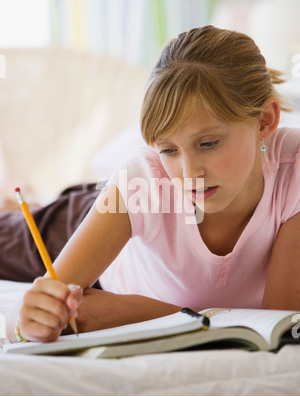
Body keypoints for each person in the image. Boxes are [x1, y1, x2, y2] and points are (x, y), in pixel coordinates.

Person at [5, 25, 300, 343]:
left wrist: (135, 312)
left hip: (139, 212)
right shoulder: (140, 181)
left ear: (265, 122)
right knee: (14, 235)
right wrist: (30, 317)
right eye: (168, 150)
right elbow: (22, 323)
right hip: (101, 212)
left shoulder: (293, 171)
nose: (188, 172)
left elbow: (278, 327)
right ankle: (25, 202)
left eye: (209, 143)